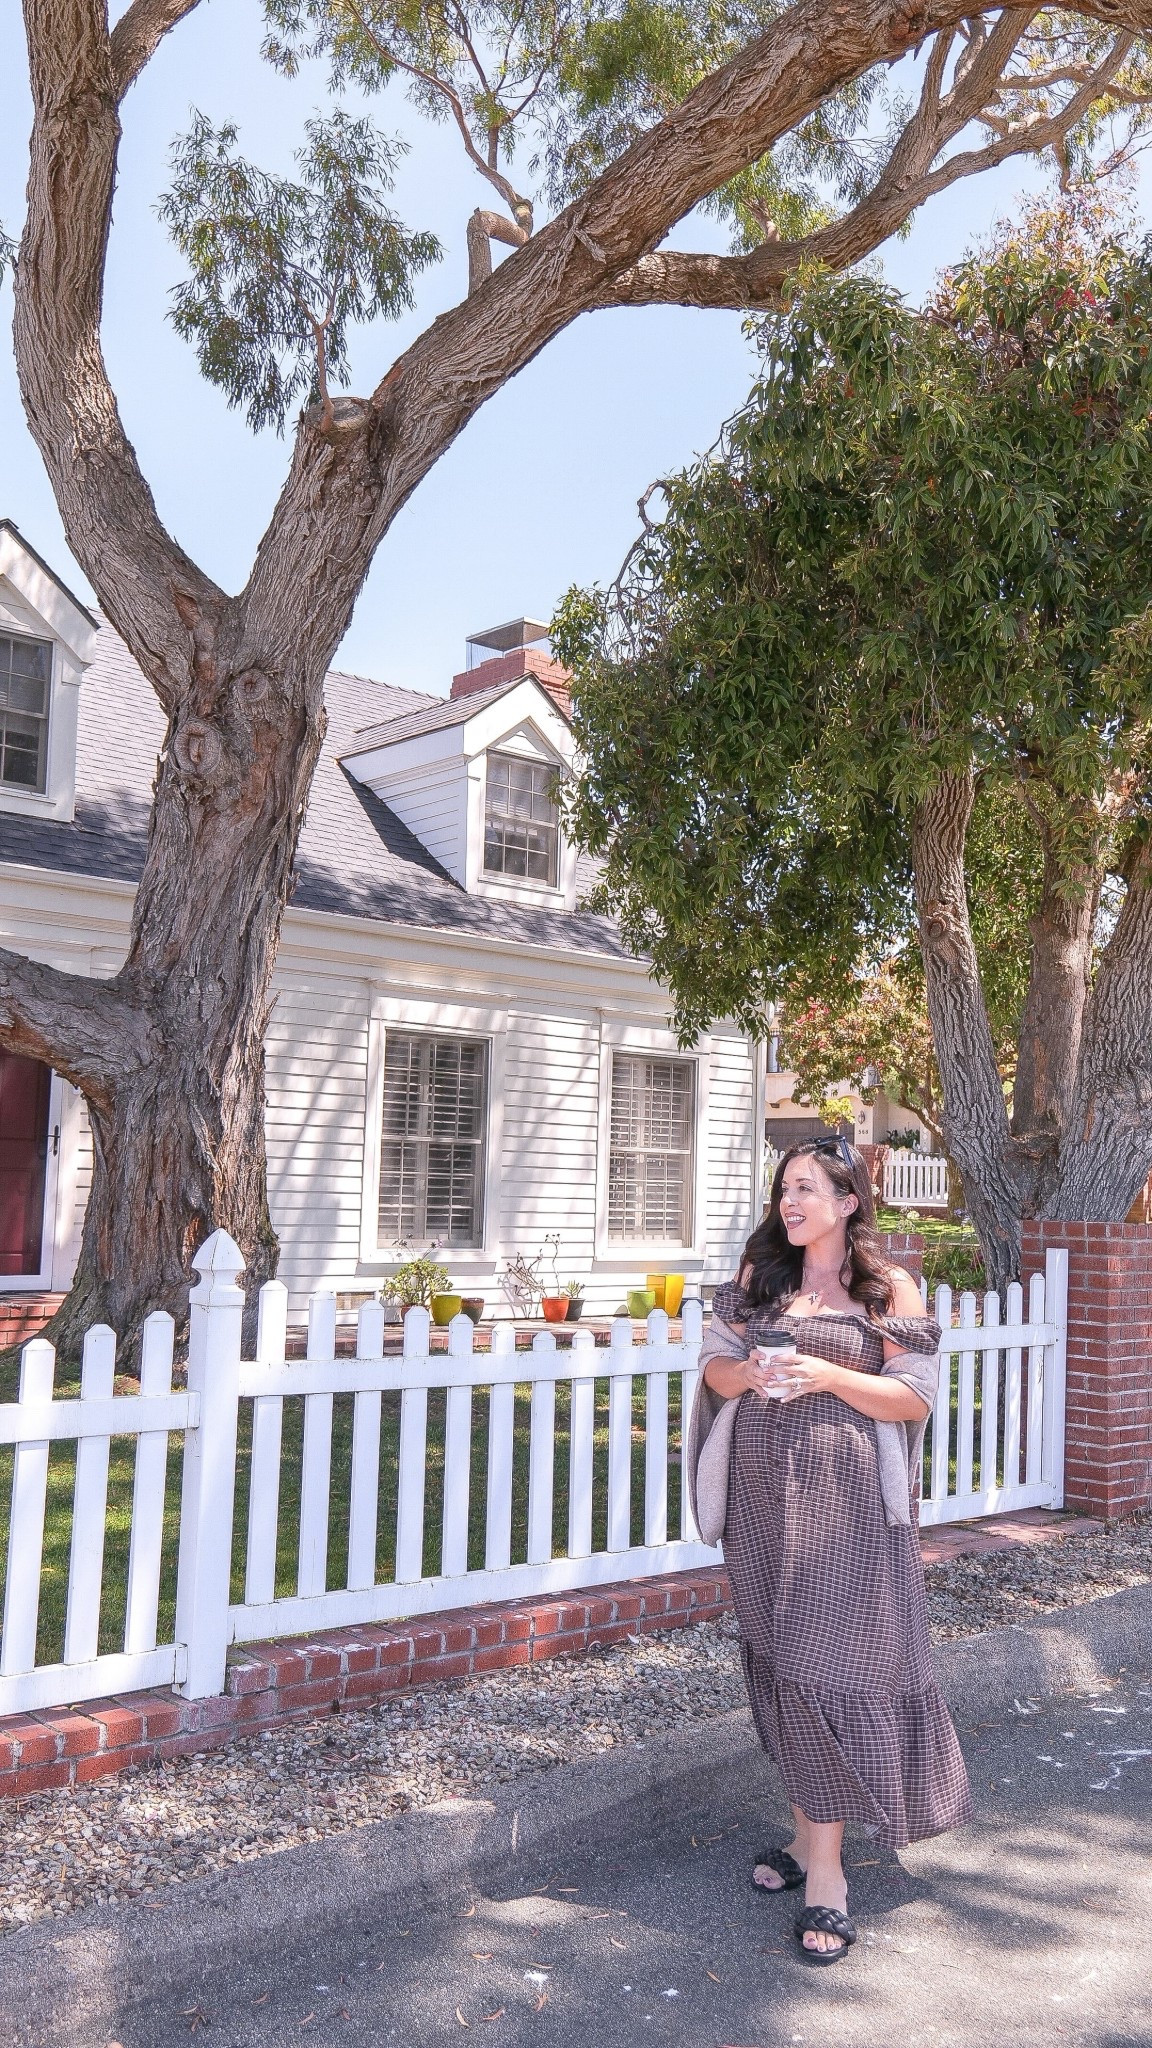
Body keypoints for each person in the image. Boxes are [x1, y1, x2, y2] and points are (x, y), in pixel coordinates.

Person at [688, 1136, 971, 1963]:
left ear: (848, 1201)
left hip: (849, 1509)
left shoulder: (888, 1288)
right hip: (760, 1500)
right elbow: (714, 1367)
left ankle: (827, 1877)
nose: (790, 1201)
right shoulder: (760, 1278)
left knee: (829, 1667)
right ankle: (812, 1840)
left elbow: (913, 1397)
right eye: (784, 1188)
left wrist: (824, 1375)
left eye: (807, 1187)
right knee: (782, 1663)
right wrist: (751, 1378)